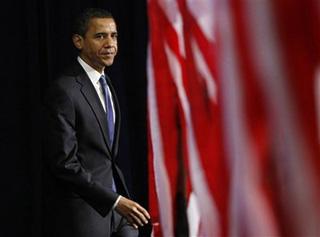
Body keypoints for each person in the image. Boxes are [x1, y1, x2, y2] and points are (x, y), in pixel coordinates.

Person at [42, 8, 150, 237]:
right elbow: (64, 164)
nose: (110, 43)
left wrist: (118, 200)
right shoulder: (65, 90)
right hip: (86, 213)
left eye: (114, 35)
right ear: (78, 41)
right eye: (100, 36)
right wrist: (115, 201)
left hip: (119, 212)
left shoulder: (107, 83)